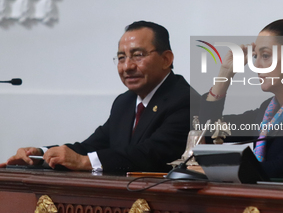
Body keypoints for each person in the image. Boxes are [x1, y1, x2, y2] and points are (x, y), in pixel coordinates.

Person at [0, 21, 191, 172]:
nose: (127, 66)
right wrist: (39, 155)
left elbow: (150, 154)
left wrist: (84, 162)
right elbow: (90, 147)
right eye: (122, 57)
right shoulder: (124, 102)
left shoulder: (187, 100)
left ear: (166, 59)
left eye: (138, 55)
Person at [199, 19, 283, 179]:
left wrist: (211, 171)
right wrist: (225, 74)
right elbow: (208, 131)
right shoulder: (268, 110)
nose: (257, 65)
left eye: (265, 56)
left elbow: (282, 168)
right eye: (255, 56)